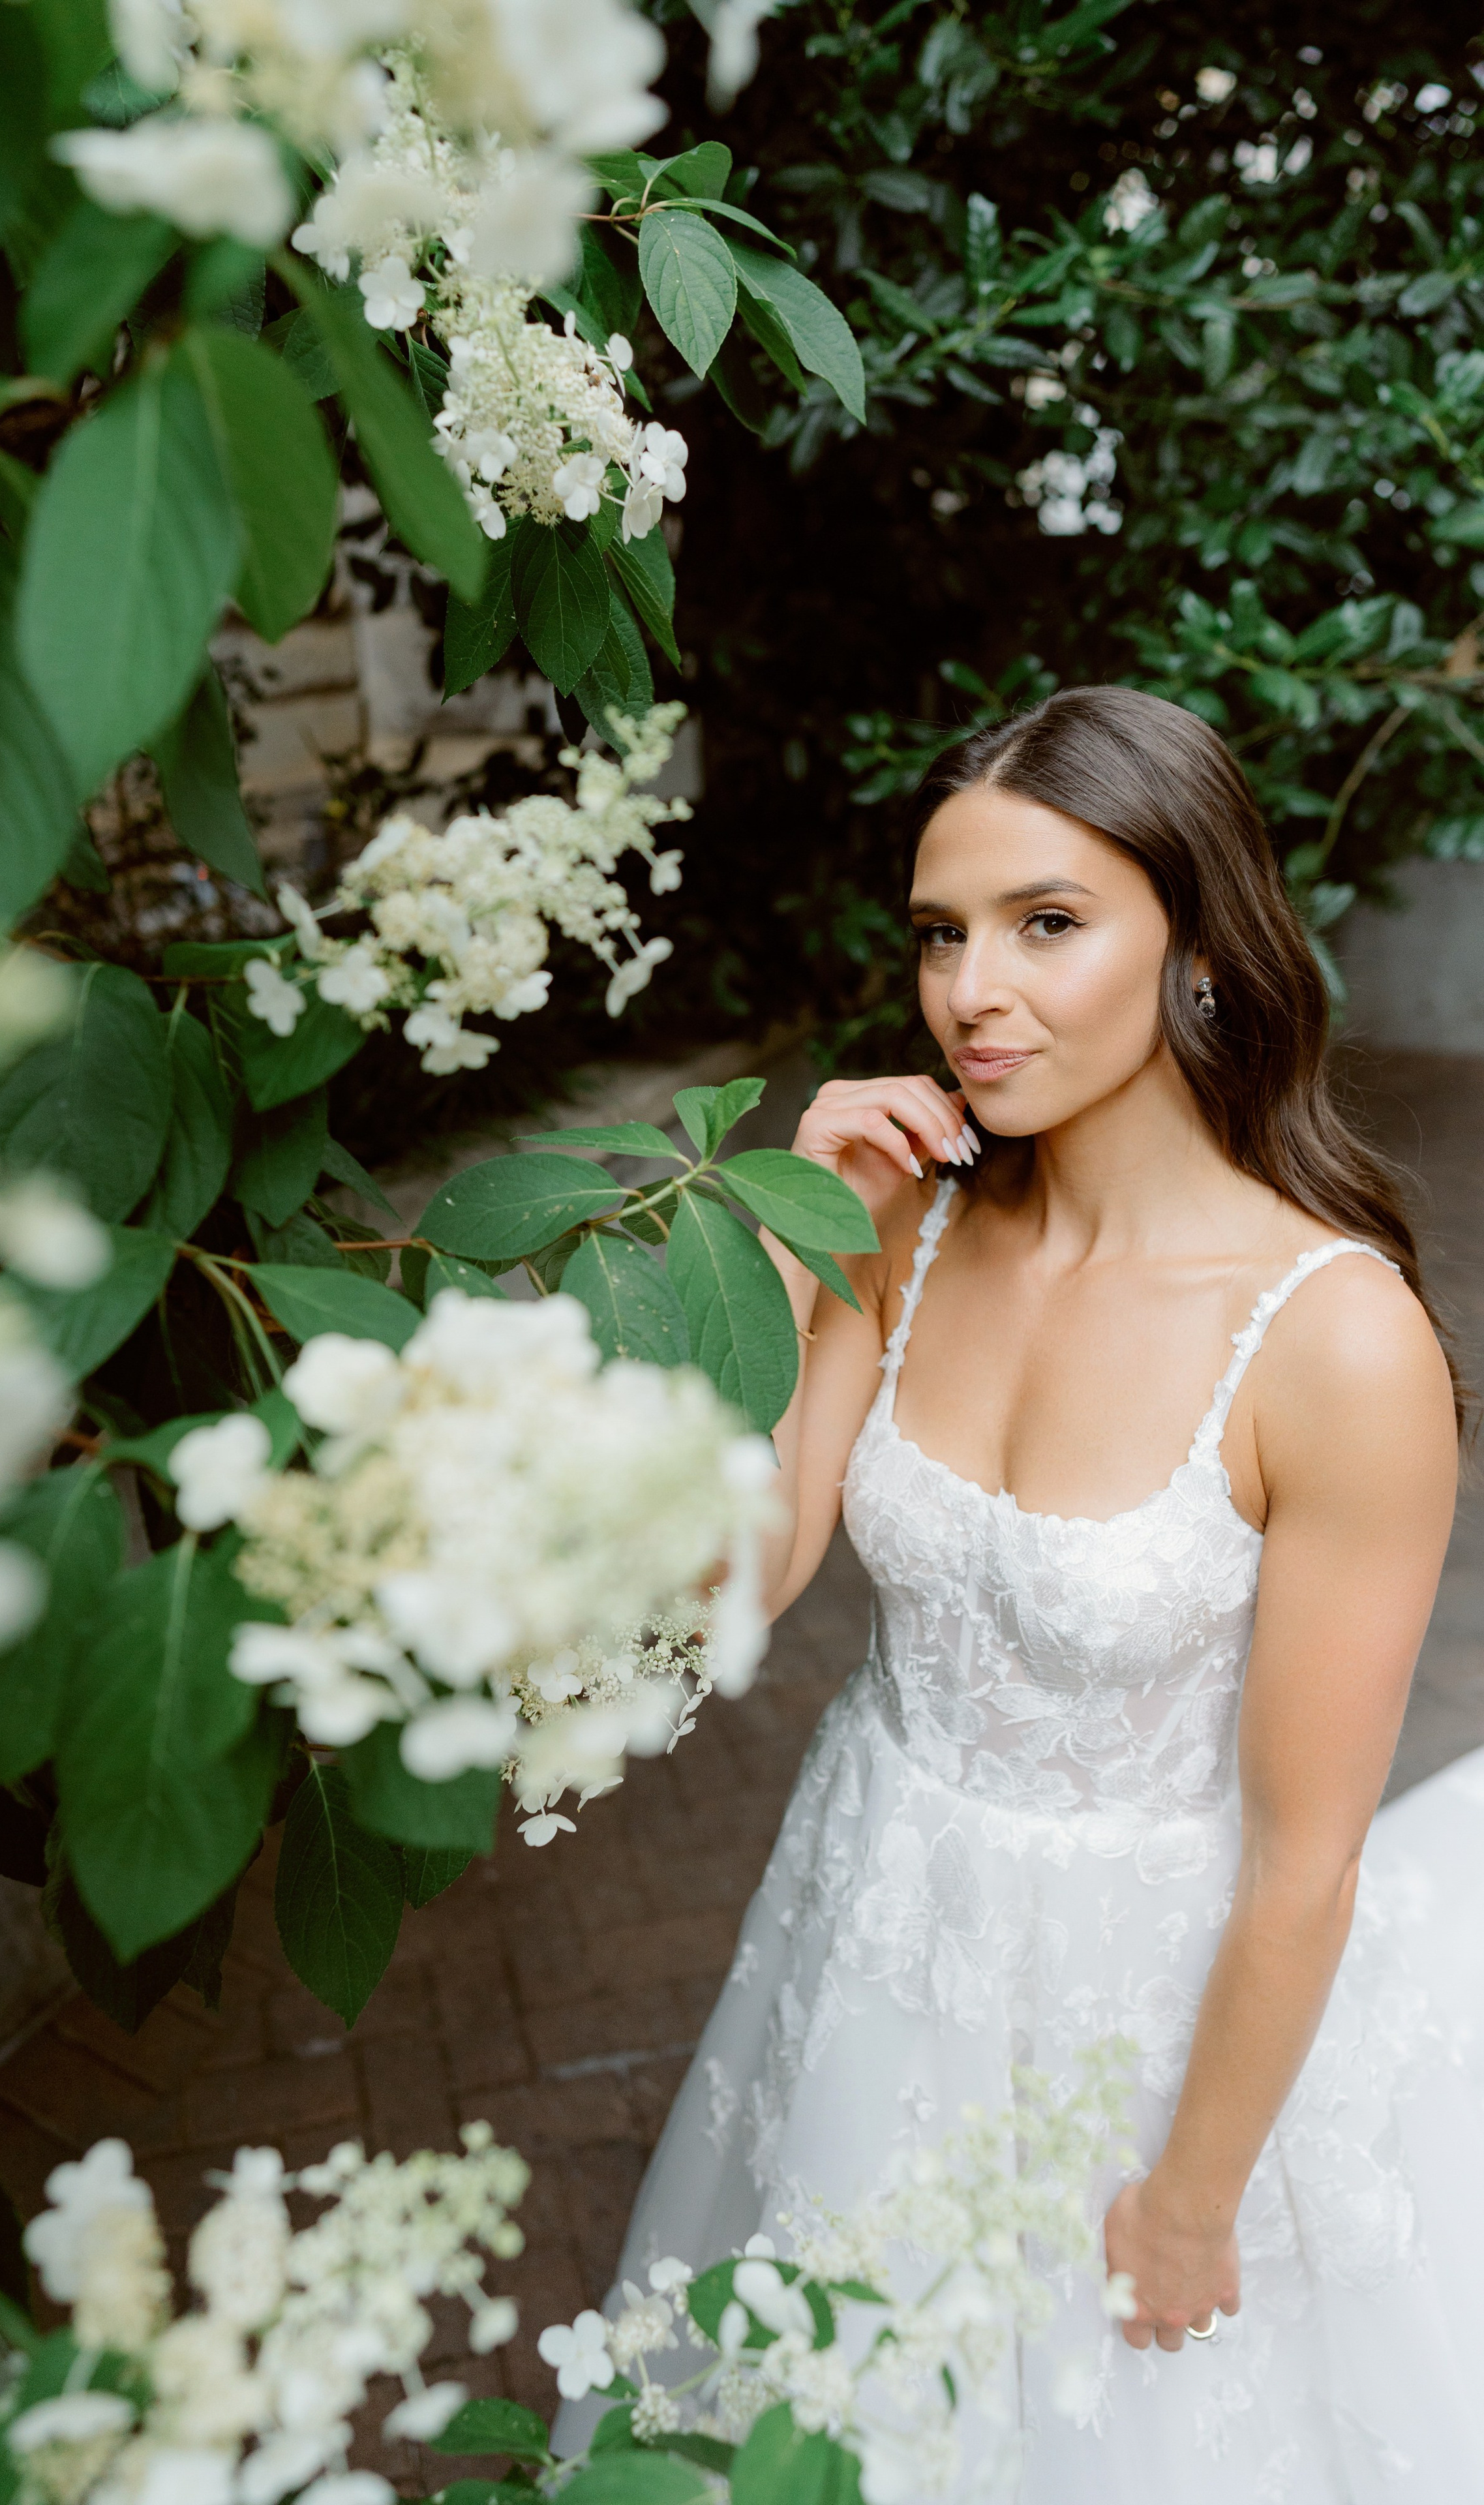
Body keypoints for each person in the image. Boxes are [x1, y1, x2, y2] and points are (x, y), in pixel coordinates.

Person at [559, 686, 1483, 2499]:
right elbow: (725, 1599)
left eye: (1049, 926)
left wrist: (1199, 2199)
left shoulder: (1339, 1344)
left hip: (1151, 2025)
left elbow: (1306, 1855)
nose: (974, 990)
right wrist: (784, 1243)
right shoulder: (907, 1221)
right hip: (873, 1915)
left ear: (1201, 945)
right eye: (943, 934)